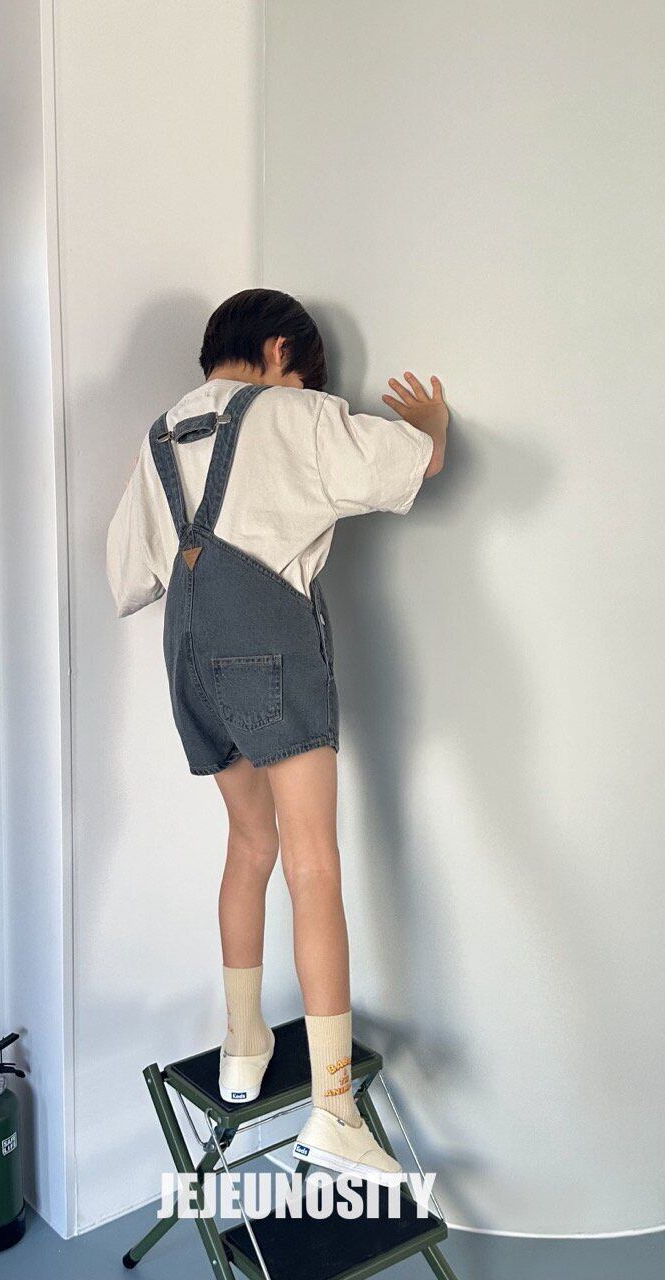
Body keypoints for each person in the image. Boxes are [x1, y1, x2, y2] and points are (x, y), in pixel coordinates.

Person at [106, 288, 448, 1184]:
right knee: (314, 866)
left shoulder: (160, 435)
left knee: (250, 844)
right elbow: (414, 465)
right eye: (306, 372)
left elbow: (128, 573)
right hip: (268, 654)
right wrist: (433, 425)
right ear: (279, 350)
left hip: (189, 663)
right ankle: (335, 1112)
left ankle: (243, 1044)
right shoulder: (295, 415)